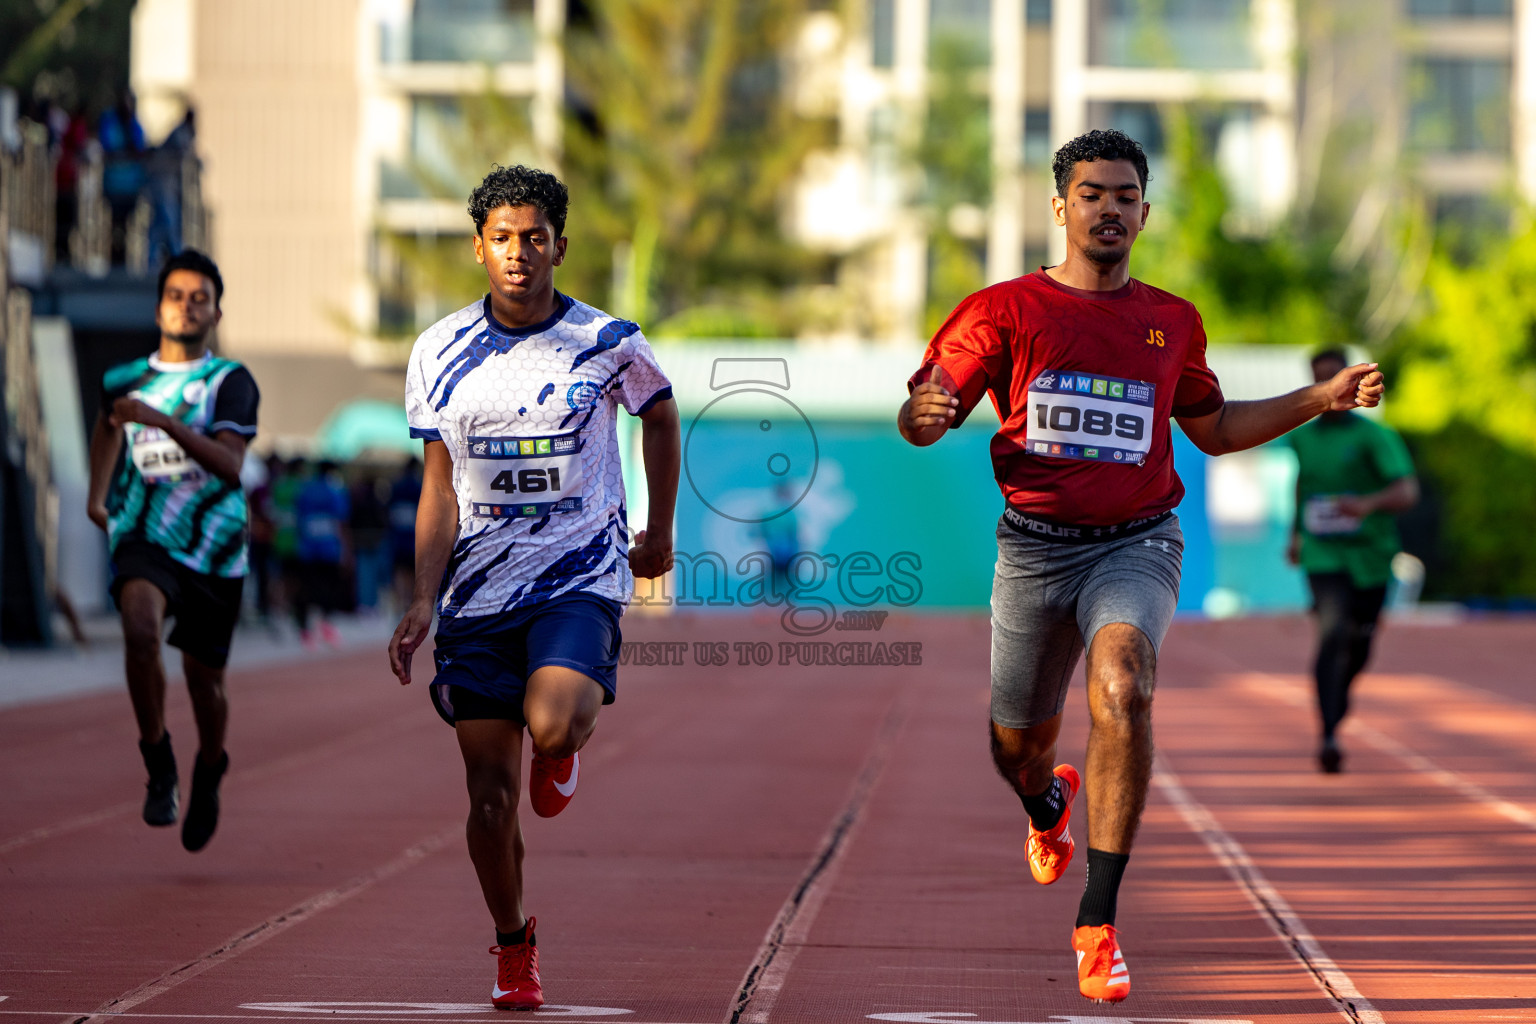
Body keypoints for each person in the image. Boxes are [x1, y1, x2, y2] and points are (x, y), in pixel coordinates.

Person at [896, 129, 1386, 1004]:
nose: (1109, 209)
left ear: (1145, 212)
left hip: (1138, 541)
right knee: (1015, 748)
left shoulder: (1172, 322)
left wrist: (1322, 397)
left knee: (1124, 684)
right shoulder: (1002, 310)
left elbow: (1217, 429)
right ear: (1060, 208)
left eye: (1125, 196)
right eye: (1092, 194)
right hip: (1035, 550)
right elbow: (930, 411)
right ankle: (1046, 806)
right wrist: (924, 414)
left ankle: (1099, 919)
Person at [388, 164, 680, 1011]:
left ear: (560, 244)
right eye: (503, 239)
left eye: (535, 238)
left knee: (553, 723)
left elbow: (659, 413)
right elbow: (438, 487)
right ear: (478, 247)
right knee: (488, 804)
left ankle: (560, 751)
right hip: (476, 594)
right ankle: (514, 946)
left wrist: (658, 529)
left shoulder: (607, 340)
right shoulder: (439, 351)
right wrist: (420, 597)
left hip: (576, 577)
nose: (519, 254)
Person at [86, 249, 258, 852]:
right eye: (176, 295)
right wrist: (96, 496)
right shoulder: (123, 378)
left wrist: (160, 420)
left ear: (214, 313)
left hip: (214, 547)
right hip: (144, 532)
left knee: (203, 681)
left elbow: (230, 465)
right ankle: (159, 762)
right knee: (138, 630)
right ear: (158, 305)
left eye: (199, 298)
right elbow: (109, 428)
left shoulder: (228, 382)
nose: (186, 306)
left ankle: (210, 764)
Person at [1285, 347, 1418, 774]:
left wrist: (1366, 504)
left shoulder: (1375, 437)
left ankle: (1338, 700)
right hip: (1323, 554)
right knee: (1331, 632)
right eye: (1320, 380)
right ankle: (1328, 732)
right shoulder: (1303, 436)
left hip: (1371, 556)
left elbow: (1407, 492)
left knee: (1358, 641)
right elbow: (1303, 483)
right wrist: (1295, 532)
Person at [293, 459, 352, 646]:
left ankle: (306, 630)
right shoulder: (334, 491)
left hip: (307, 548)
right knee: (328, 587)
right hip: (329, 548)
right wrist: (346, 550)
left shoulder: (305, 490)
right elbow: (341, 523)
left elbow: (298, 518)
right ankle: (325, 625)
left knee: (308, 587)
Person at [387, 456, 423, 613]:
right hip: (413, 536)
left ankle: (401, 602)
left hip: (398, 536)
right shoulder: (417, 486)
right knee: (412, 571)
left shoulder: (396, 486)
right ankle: (408, 602)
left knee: (400, 571)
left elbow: (389, 511)